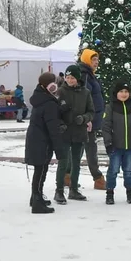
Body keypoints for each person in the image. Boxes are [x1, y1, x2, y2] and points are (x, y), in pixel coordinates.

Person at [54, 65, 96, 204]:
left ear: (77, 78)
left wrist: (84, 118)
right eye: (67, 77)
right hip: (65, 132)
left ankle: (74, 189)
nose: (69, 80)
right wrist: (60, 124)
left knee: (76, 161)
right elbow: (54, 112)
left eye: (72, 77)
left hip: (79, 131)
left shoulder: (85, 92)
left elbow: (91, 111)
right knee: (63, 161)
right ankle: (59, 190)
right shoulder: (60, 92)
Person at [24, 73, 65, 215]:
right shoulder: (48, 103)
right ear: (48, 85)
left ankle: (36, 196)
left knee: (40, 170)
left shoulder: (40, 97)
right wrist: (59, 151)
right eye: (53, 83)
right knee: (40, 171)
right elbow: (53, 129)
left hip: (36, 139)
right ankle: (37, 202)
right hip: (42, 141)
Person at [101, 81, 131, 205]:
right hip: (115, 146)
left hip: (130, 146)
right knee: (113, 170)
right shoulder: (111, 107)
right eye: (121, 91)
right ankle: (110, 192)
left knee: (128, 170)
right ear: (116, 93)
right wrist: (108, 143)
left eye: (126, 92)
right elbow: (106, 127)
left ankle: (130, 192)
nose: (124, 94)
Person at [78, 49, 107, 190]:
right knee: (88, 149)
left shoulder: (90, 75)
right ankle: (98, 178)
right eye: (93, 60)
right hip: (87, 121)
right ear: (87, 60)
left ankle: (67, 175)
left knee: (85, 148)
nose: (96, 62)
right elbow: (84, 98)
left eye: (97, 60)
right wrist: (87, 119)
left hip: (92, 119)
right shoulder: (85, 75)